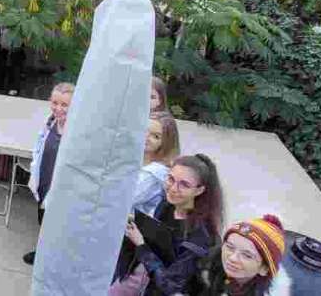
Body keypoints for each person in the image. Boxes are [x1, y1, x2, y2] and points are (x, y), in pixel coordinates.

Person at [120, 153, 224, 296]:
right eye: (171, 179)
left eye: (184, 185)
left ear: (199, 190)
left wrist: (141, 245)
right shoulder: (167, 205)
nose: (173, 188)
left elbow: (169, 285)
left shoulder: (200, 235)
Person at [22, 83, 75, 265]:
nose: (58, 109)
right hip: (44, 181)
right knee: (43, 220)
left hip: (62, 188)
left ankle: (50, 259)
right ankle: (43, 252)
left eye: (64, 105)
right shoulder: (50, 121)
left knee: (56, 226)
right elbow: (40, 145)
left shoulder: (76, 131)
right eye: (54, 103)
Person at [192, 215, 292, 296]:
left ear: (264, 269)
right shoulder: (207, 264)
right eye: (230, 247)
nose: (232, 258)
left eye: (247, 255)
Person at [135, 110, 182, 216]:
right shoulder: (135, 159)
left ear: (166, 143)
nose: (146, 138)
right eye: (145, 131)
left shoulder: (156, 172)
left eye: (155, 136)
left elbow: (124, 199)